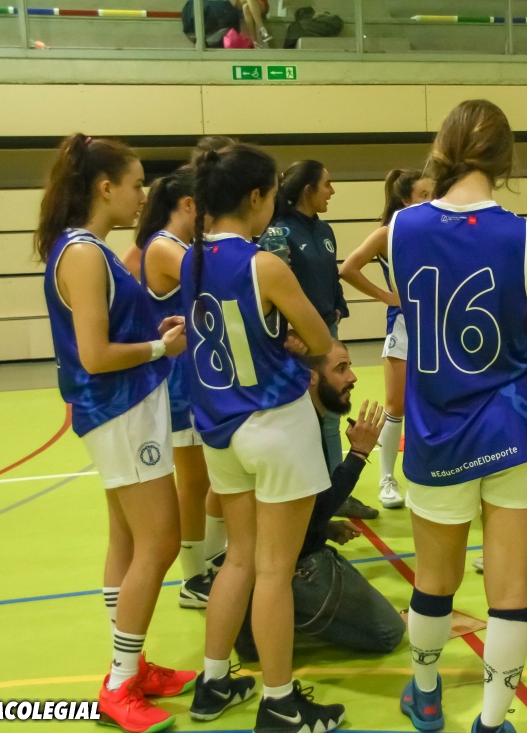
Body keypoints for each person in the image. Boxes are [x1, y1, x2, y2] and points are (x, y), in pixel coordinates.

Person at [390, 99, 527, 733]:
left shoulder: (403, 226)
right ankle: (492, 721)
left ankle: (427, 695)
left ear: (442, 147)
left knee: (434, 580)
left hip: (436, 429)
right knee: (511, 591)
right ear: (506, 159)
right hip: (514, 426)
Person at [180, 143, 344, 732]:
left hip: (219, 427)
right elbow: (320, 339)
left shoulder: (189, 258)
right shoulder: (264, 264)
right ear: (256, 197)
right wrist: (293, 341)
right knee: (275, 569)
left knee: (239, 560)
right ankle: (280, 702)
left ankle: (213, 682)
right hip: (274, 423)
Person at [35, 133, 195, 733]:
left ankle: (131, 664)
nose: (143, 195)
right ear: (105, 188)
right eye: (136, 184)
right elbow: (96, 355)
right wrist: (161, 347)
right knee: (160, 541)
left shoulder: (88, 249)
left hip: (123, 407)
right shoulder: (83, 253)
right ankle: (121, 684)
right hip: (119, 408)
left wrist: (155, 331)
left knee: (127, 541)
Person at [234, 340, 407, 659]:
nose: (353, 377)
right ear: (311, 378)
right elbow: (314, 510)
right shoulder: (297, 430)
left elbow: (287, 508)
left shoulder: (282, 417)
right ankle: (275, 617)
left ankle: (257, 617)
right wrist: (358, 454)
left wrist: (324, 529)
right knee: (389, 633)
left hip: (257, 559)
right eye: (341, 369)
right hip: (290, 566)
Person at [120, 166, 217, 609]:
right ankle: (193, 577)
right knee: (194, 482)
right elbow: (215, 279)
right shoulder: (163, 246)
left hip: (196, 376)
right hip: (180, 382)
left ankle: (211, 561)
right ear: (188, 205)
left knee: (211, 478)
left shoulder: (172, 245)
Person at [257, 159, 364, 516]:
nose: (332, 191)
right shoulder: (278, 233)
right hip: (296, 341)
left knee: (331, 413)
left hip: (326, 333)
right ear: (308, 190)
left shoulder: (326, 230)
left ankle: (335, 493)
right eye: (327, 184)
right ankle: (309, 495)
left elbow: (331, 275)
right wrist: (291, 332)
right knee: (301, 413)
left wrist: (338, 306)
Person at [338, 168, 434, 510]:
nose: (431, 201)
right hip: (404, 327)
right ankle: (386, 479)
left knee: (433, 403)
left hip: (438, 328)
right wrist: (385, 296)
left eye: (434, 195)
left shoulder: (442, 230)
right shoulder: (388, 234)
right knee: (396, 405)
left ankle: (425, 477)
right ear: (405, 199)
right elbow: (348, 268)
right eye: (424, 195)